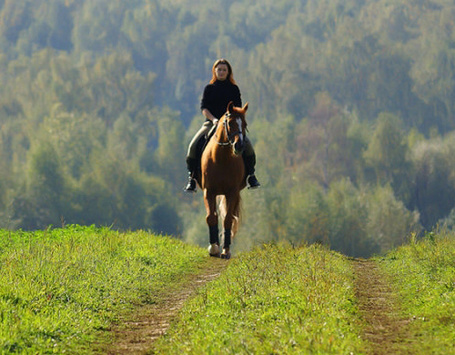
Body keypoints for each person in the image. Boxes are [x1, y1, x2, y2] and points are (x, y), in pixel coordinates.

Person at [184, 58, 260, 192]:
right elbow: (204, 108)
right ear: (214, 71)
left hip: (231, 125)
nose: (222, 72)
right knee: (192, 146)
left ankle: (251, 176)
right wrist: (214, 120)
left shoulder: (234, 89)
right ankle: (192, 178)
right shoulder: (209, 88)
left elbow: (238, 108)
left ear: (228, 72)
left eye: (224, 70)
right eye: (219, 69)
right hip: (212, 123)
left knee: (249, 148)